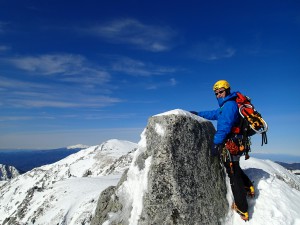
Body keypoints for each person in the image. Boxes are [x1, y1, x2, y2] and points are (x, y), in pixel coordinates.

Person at [190, 80, 254, 221]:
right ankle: (249, 187)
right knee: (235, 167)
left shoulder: (229, 106)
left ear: (228, 90)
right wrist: (198, 113)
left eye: (221, 91)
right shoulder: (227, 105)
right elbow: (215, 114)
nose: (218, 94)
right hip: (237, 142)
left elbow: (224, 126)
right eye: (216, 93)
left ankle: (242, 209)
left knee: (233, 174)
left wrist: (216, 144)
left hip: (232, 143)